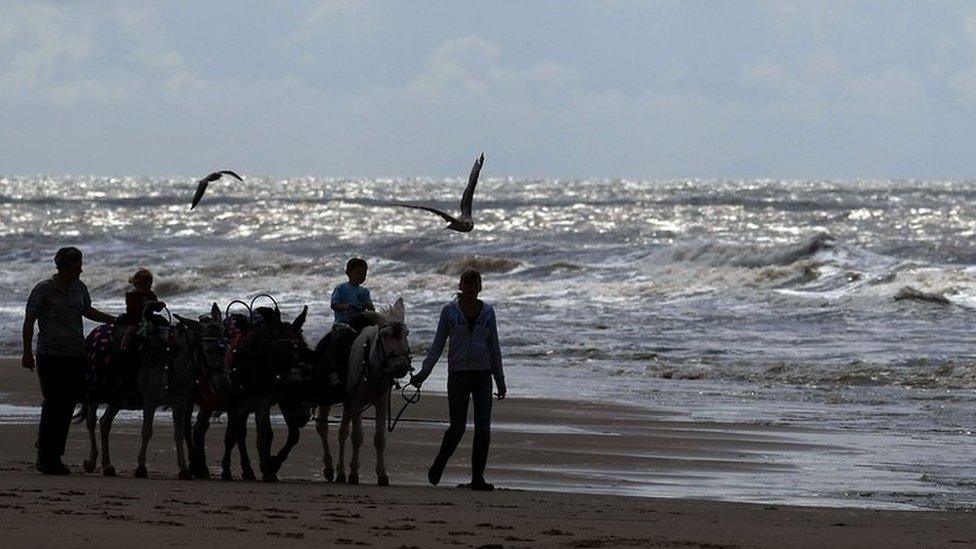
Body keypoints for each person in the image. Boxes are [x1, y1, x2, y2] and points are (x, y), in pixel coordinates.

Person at [411, 268, 506, 491]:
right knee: (457, 427)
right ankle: (439, 464)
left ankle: (477, 478)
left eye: (476, 283)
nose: (472, 287)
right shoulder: (449, 312)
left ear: (481, 287)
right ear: (461, 286)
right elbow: (437, 346)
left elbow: (494, 348)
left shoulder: (488, 312)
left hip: (483, 375)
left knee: (483, 429)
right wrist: (423, 375)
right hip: (458, 375)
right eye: (468, 283)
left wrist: (500, 380)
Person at [22, 247, 116, 475]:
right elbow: (29, 321)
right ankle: (45, 455)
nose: (81, 270)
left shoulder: (79, 287)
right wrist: (27, 352)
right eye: (77, 266)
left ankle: (55, 455)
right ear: (64, 267)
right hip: (50, 355)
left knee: (67, 405)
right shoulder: (43, 290)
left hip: (76, 354)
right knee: (53, 402)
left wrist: (114, 320)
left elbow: (87, 311)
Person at [120, 268, 163, 352]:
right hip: (135, 319)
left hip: (149, 319)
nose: (146, 288)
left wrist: (159, 305)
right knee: (130, 330)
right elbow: (132, 309)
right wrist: (144, 305)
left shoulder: (150, 293)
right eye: (143, 285)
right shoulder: (131, 295)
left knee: (163, 323)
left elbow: (157, 308)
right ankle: (123, 347)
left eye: (148, 285)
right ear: (136, 284)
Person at [330, 257, 375, 329]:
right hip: (342, 323)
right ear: (348, 273)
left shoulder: (365, 291)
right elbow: (333, 305)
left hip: (360, 323)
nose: (361, 276)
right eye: (358, 273)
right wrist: (345, 306)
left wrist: (369, 306)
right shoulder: (340, 289)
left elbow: (372, 309)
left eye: (364, 274)